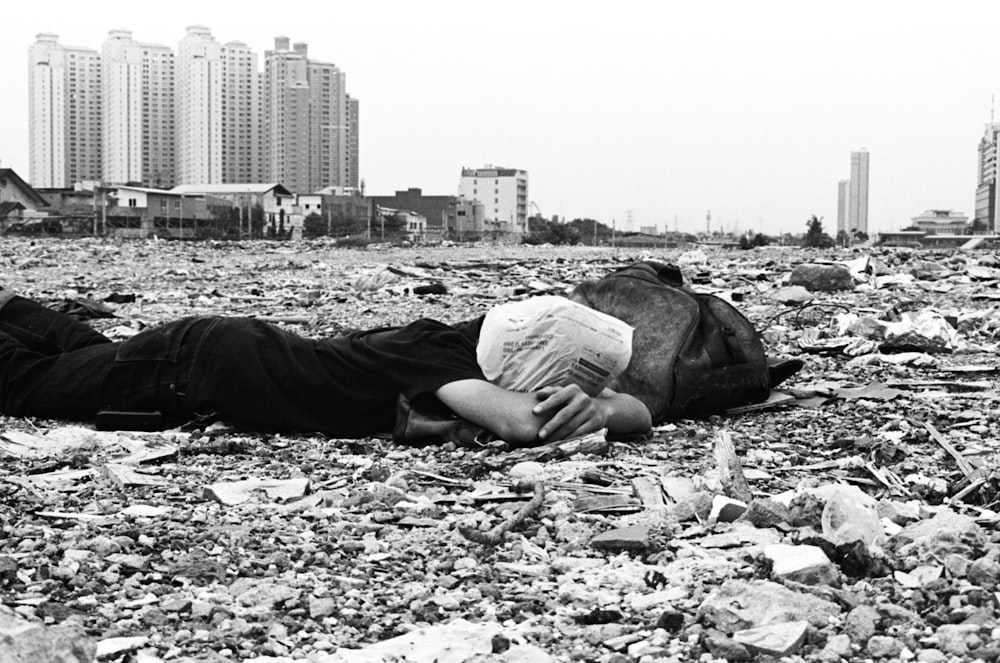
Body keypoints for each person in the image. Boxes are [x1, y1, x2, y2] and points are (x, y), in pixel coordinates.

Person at [0, 291, 651, 445]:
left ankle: (13, 306)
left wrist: (606, 405)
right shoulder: (436, 354)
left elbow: (644, 409)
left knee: (83, 357)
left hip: (207, 354)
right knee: (23, 382)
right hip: (196, 366)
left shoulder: (457, 348)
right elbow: (522, 423)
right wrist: (592, 411)